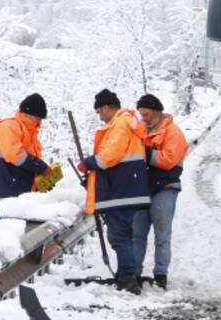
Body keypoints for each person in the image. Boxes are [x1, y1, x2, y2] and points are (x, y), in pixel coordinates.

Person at [78, 89, 150, 294]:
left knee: (119, 236)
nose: (99, 116)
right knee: (123, 235)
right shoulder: (126, 122)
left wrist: (89, 163)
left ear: (109, 107)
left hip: (120, 190)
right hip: (126, 188)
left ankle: (128, 278)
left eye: (99, 110)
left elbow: (110, 155)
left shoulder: (120, 123)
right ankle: (127, 274)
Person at [131, 93, 188, 289]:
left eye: (146, 114)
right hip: (142, 188)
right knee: (137, 234)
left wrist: (144, 153)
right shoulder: (141, 131)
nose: (143, 119)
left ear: (156, 112)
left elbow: (168, 160)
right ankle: (135, 273)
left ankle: (161, 274)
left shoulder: (173, 133)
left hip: (165, 188)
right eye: (141, 115)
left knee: (162, 234)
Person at [0, 94, 52, 219]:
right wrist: (40, 167)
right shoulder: (9, 125)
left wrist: (40, 180)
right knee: (7, 234)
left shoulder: (28, 132)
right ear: (28, 113)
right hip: (1, 195)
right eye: (38, 118)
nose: (39, 123)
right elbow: (15, 155)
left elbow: (26, 163)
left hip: (14, 194)